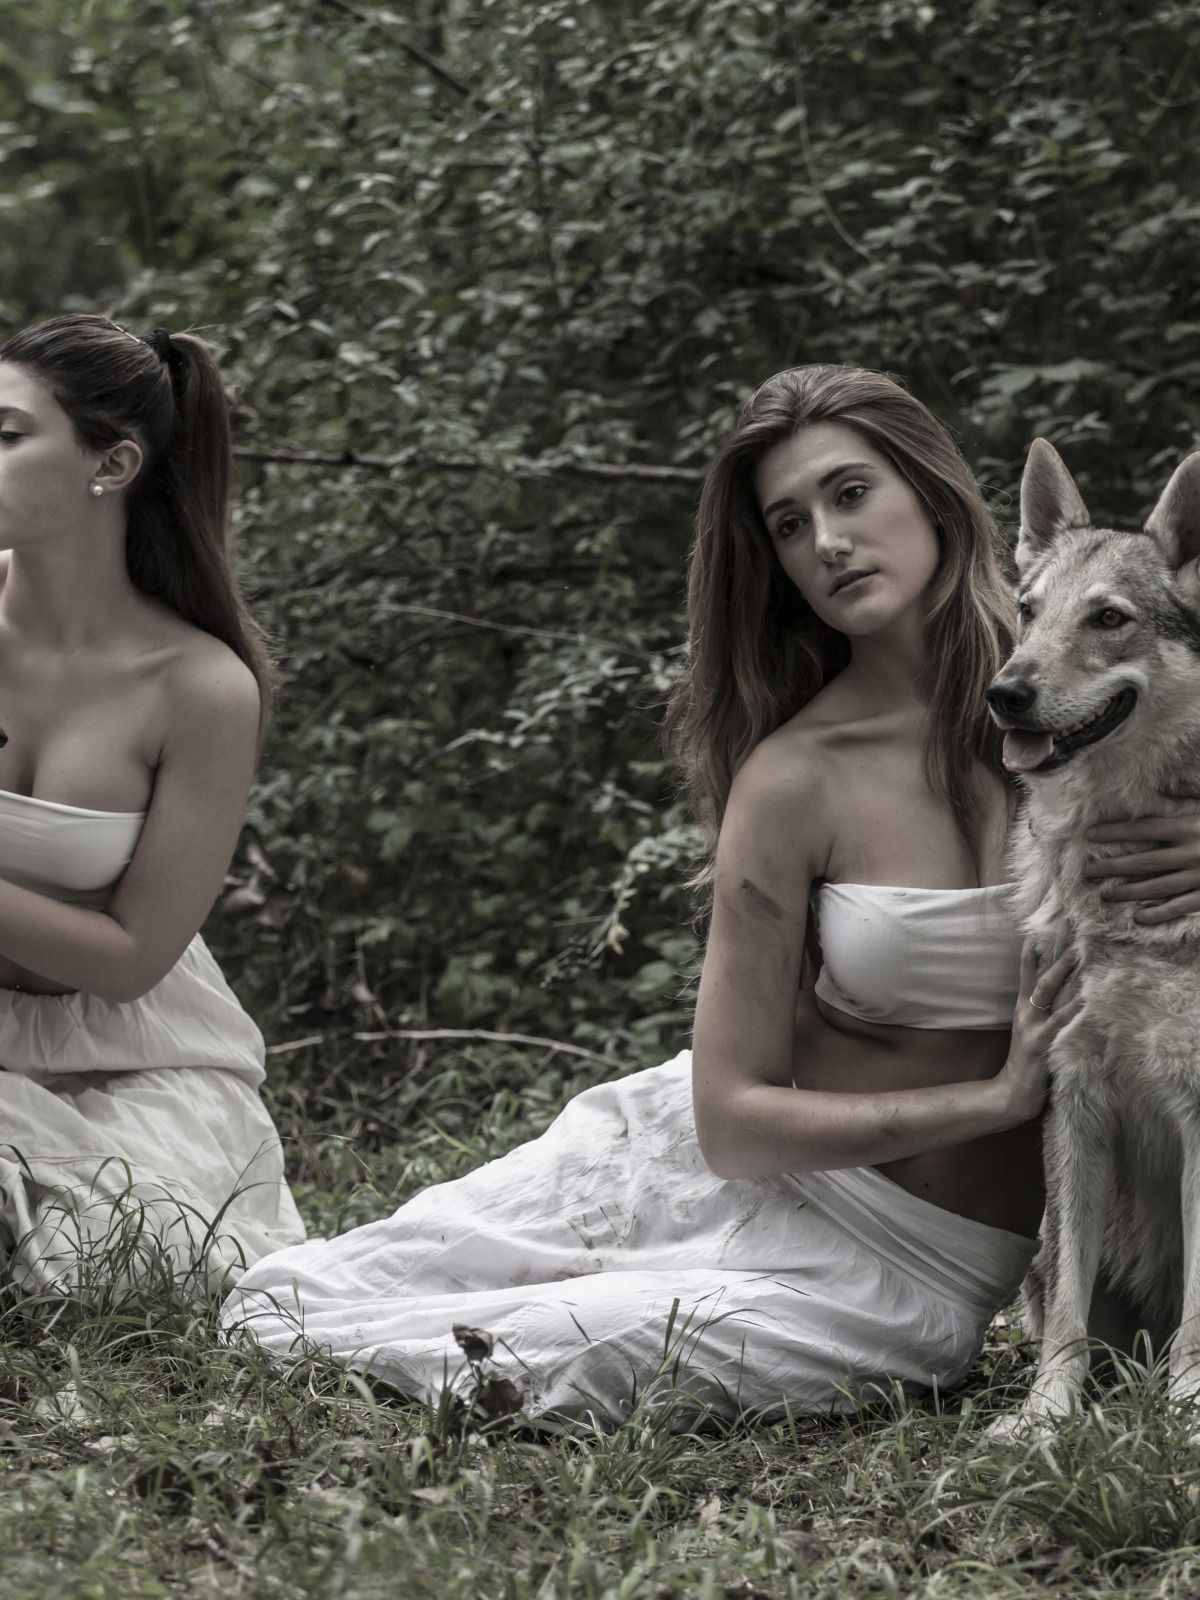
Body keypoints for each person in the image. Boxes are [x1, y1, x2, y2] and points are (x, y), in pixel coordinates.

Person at [224, 366, 1200, 1420]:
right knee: (317, 1311)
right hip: (742, 1173)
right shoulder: (794, 776)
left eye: (851, 493)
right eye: (790, 524)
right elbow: (732, 1121)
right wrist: (994, 1099)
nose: (829, 542)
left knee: (560, 1346)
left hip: (928, 1266)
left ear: (934, 495)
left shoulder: (1086, 705)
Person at [0, 313, 304, 1295]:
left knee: (121, 1244)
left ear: (112, 463)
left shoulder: (201, 686)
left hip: (131, 1053)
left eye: (7, 434)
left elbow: (132, 958)